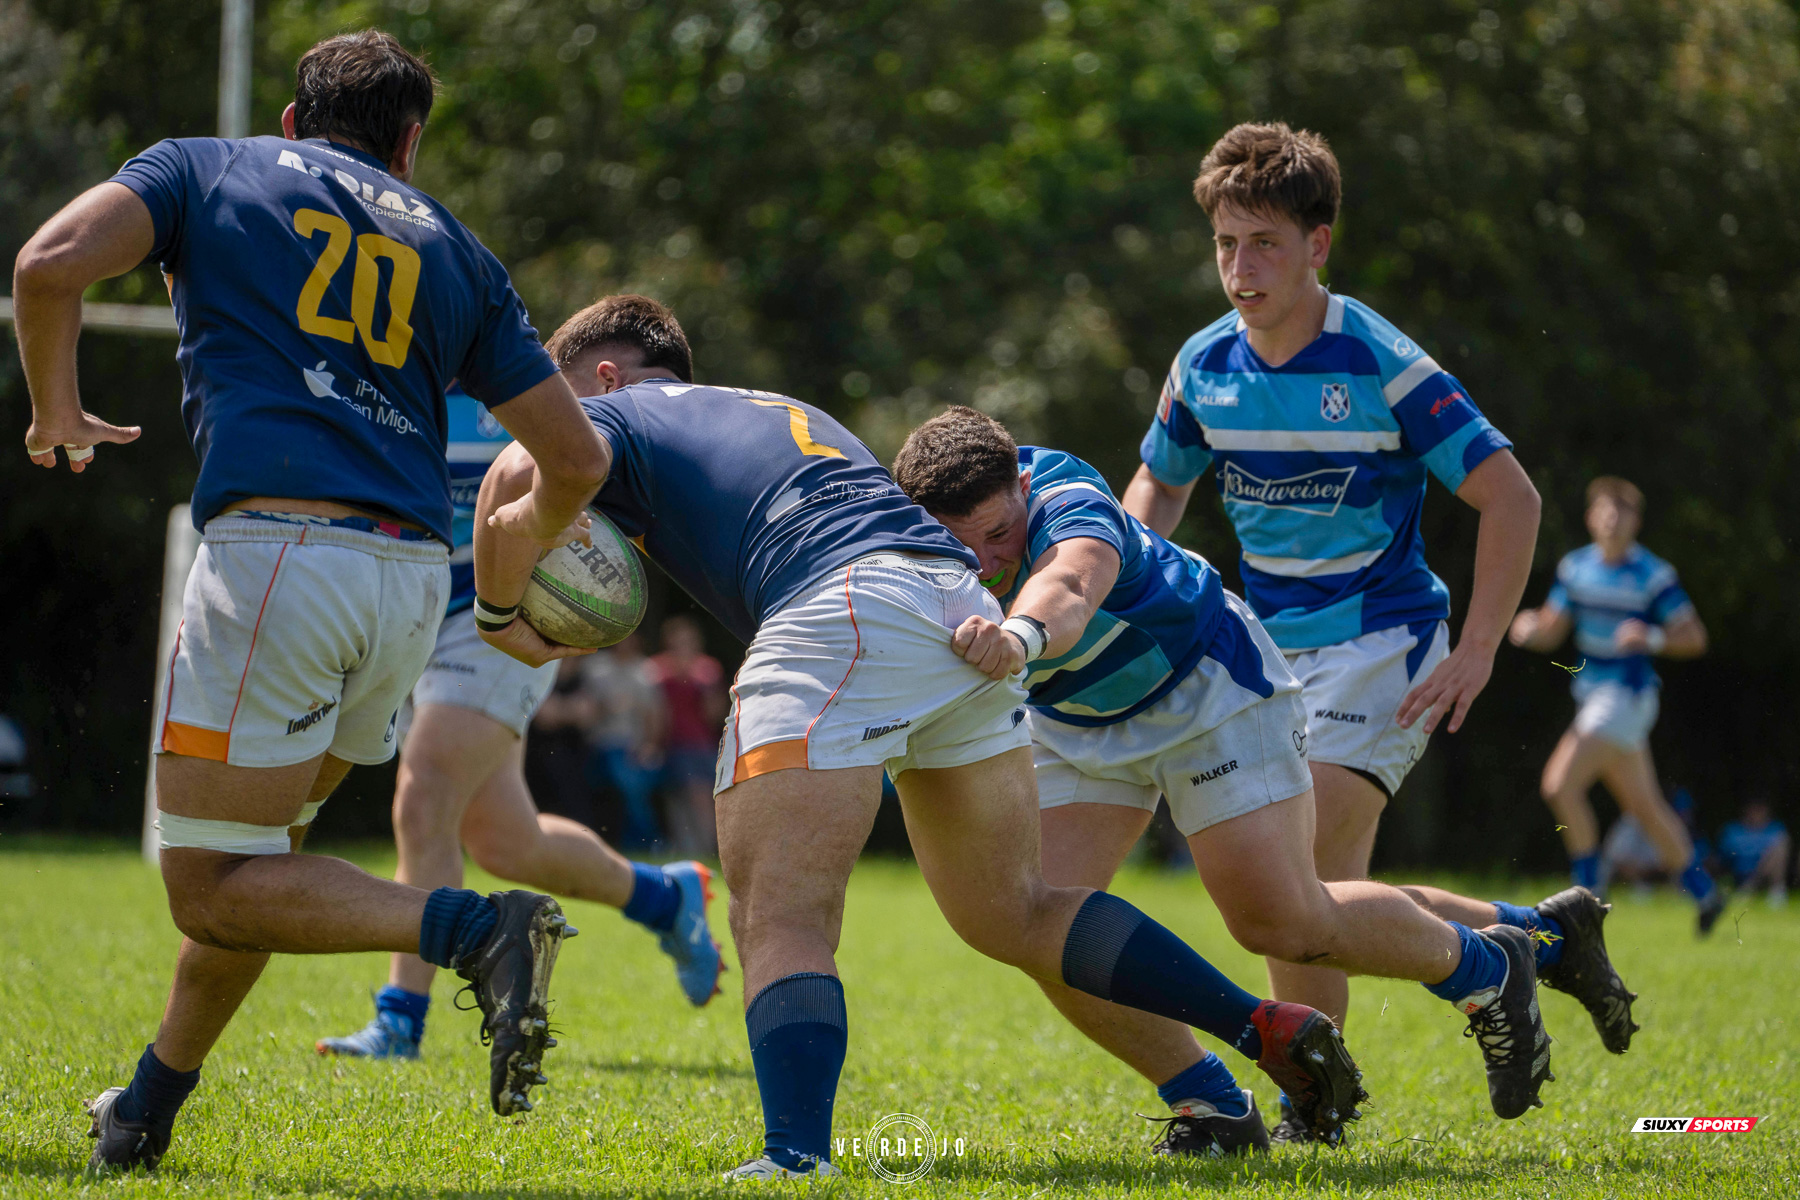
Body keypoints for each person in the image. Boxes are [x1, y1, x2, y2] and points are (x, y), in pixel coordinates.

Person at [474, 294, 1366, 1178]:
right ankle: (1260, 1033)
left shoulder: (613, 413)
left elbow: (525, 472)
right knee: (1012, 908)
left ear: (600, 377)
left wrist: (497, 607)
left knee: (778, 913)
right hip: (951, 603)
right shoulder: (774, 411)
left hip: (837, 609)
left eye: (564, 394)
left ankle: (794, 1160)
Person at [15, 30, 608, 1171]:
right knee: (265, 867)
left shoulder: (207, 166)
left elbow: (48, 265)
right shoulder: (460, 252)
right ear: (412, 143)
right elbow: (574, 466)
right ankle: (141, 1114)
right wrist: (503, 583)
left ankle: (473, 927)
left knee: (214, 890)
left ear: (293, 118)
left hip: (278, 564)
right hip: (402, 585)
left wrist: (56, 409)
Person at [895, 408, 1634, 1148]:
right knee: (1036, 924)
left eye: (998, 534)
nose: (984, 563)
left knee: (1280, 922)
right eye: (956, 545)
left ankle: (1485, 963)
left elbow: (1071, 584)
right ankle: (1212, 1103)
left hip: (1210, 689)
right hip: (1078, 720)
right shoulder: (904, 540)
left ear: (1022, 485)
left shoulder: (1065, 496)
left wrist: (1016, 634)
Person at [1121, 123, 1565, 1140]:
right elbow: (1158, 481)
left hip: (1384, 644)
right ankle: (1522, 940)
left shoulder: (1380, 360)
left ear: (1319, 246)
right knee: (1311, 894)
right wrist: (1117, 574)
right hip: (1266, 652)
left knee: (1293, 876)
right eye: (1226, 244)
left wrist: (1481, 648)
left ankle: (1437, 1011)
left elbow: (1514, 498)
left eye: (1265, 243)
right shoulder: (1201, 364)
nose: (1241, 268)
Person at [315, 387, 724, 1062]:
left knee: (424, 803)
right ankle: (663, 895)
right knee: (507, 842)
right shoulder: (368, 373)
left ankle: (399, 1021)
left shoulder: (519, 381)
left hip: (501, 621)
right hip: (412, 614)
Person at [1510, 477, 1721, 932]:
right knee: (1645, 807)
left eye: (1622, 511)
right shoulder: (1575, 568)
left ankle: (1584, 899)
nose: (1612, 518)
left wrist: (1654, 636)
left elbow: (1695, 637)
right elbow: (1551, 629)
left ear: (1636, 522)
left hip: (1627, 698)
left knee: (1559, 786)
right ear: (1590, 518)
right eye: (1605, 510)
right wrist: (1526, 628)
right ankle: (1706, 894)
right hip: (1593, 698)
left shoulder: (1653, 574)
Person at [647, 615, 727, 856]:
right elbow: (654, 712)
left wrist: (707, 689)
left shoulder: (707, 670)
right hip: (672, 745)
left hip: (703, 745)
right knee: (685, 799)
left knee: (705, 797)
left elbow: (715, 714)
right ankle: (700, 849)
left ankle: (707, 848)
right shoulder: (657, 670)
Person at [584, 634, 669, 851]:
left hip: (635, 746)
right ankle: (648, 841)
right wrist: (605, 707)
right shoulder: (595, 667)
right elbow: (583, 706)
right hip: (599, 744)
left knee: (634, 785)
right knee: (629, 783)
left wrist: (650, 745)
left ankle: (641, 841)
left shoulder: (646, 670)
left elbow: (655, 713)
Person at [1717, 798, 1790, 906]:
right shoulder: (1733, 830)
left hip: (1766, 876)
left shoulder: (1775, 829)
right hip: (1739, 875)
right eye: (1754, 808)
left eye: (1760, 809)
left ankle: (1775, 891)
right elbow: (1722, 857)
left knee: (1780, 846)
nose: (1757, 812)